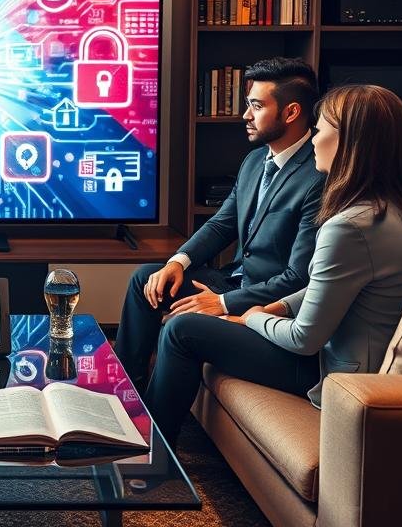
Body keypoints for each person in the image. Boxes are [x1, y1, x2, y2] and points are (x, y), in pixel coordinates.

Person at [144, 84, 402, 448]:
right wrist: (278, 307)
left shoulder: (349, 226)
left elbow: (303, 338)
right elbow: (330, 286)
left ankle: (153, 453)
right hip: (350, 359)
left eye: (322, 128)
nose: (314, 138)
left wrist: (250, 315)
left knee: (183, 330)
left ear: (351, 143)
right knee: (177, 307)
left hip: (336, 376)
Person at [114, 57, 326, 391]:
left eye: (256, 106)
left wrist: (223, 304)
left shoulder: (318, 175)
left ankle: (155, 432)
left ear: (291, 112)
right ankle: (127, 392)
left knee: (179, 327)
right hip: (233, 281)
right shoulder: (255, 160)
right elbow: (221, 225)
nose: (246, 116)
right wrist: (178, 261)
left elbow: (298, 277)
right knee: (146, 279)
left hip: (268, 304)